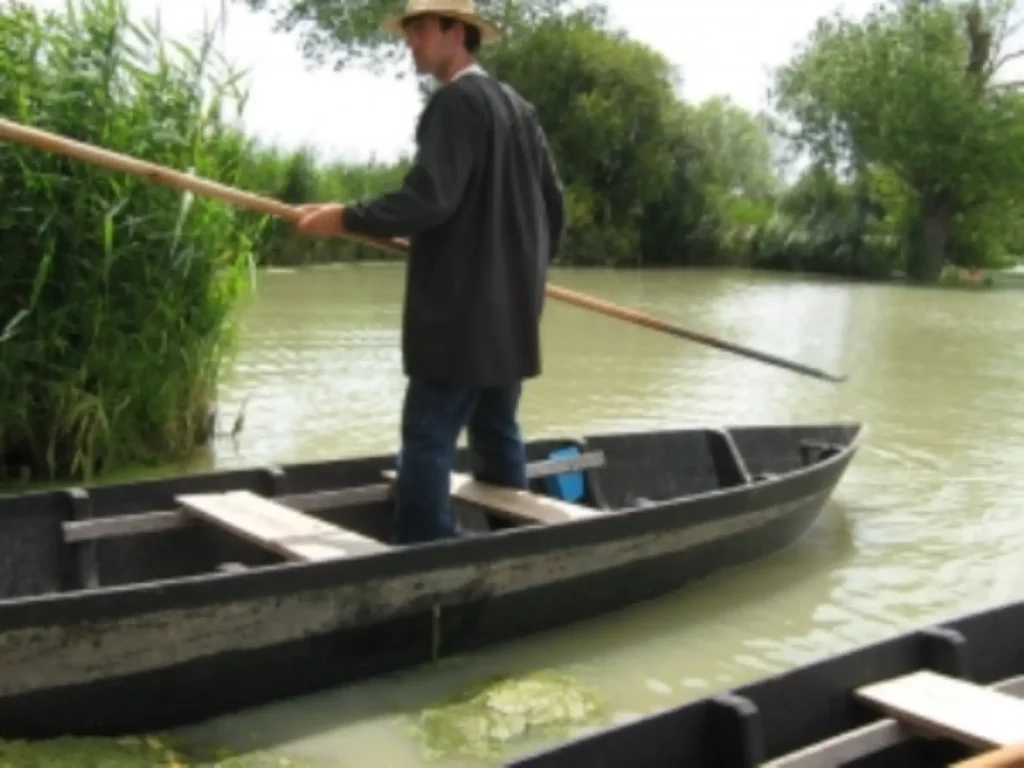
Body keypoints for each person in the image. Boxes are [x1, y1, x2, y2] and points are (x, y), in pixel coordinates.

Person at [293, 0, 565, 545]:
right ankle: (516, 544)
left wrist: (344, 218)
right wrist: (525, 279)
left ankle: (424, 555)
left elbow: (429, 200)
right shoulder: (519, 109)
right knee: (496, 433)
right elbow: (553, 208)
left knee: (426, 438)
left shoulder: (455, 103)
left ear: (457, 33)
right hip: (509, 316)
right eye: (409, 30)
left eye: (420, 29)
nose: (410, 42)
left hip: (459, 317)